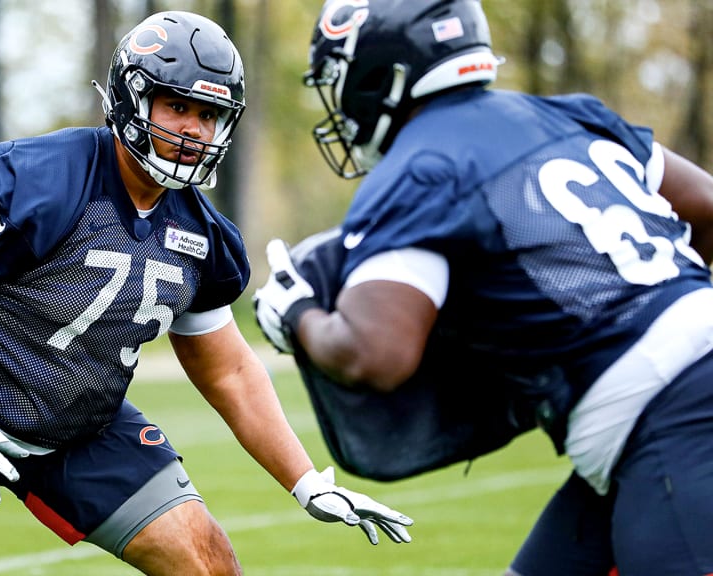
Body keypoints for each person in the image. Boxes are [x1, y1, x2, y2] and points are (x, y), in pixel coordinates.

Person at [0, 10, 413, 576]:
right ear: (131, 98)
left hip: (81, 425)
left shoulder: (202, 234)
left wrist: (306, 481)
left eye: (209, 116)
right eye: (177, 107)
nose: (193, 130)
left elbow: (228, 369)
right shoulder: (47, 176)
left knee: (209, 563)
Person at [253, 1, 713, 575]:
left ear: (382, 72)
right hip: (655, 415)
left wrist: (296, 313)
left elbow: (376, 355)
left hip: (673, 419)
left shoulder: (423, 166)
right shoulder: (572, 116)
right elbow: (707, 210)